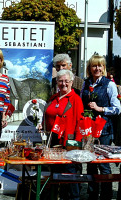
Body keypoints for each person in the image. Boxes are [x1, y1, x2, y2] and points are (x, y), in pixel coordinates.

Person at [40, 69, 84, 200]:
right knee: (57, 175)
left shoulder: (76, 99)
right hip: (53, 142)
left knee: (70, 175)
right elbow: (48, 115)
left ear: (71, 82)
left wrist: (76, 146)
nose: (63, 83)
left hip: (68, 143)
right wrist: (43, 125)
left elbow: (80, 123)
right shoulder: (53, 98)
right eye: (60, 81)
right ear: (57, 82)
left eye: (66, 81)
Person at [81, 54, 120, 200]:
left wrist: (100, 108)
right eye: (94, 65)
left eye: (100, 65)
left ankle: (106, 195)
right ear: (89, 68)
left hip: (104, 129)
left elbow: (117, 108)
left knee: (103, 164)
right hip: (88, 130)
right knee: (90, 163)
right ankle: (92, 194)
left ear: (103, 68)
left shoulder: (109, 84)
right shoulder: (85, 83)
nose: (97, 68)